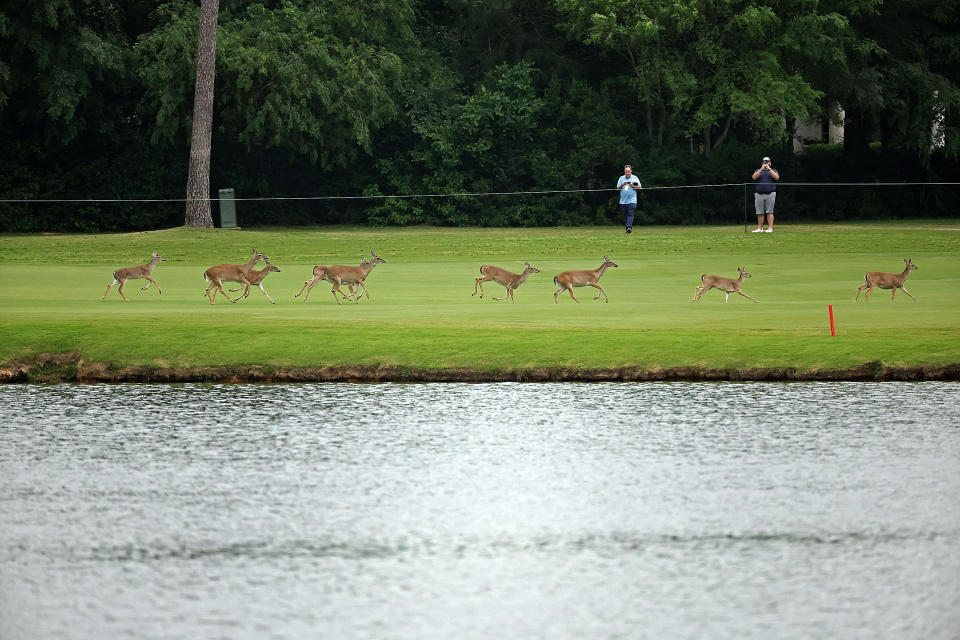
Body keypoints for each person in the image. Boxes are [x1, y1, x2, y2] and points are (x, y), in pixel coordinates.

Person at [751, 156, 779, 232]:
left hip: (770, 194)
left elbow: (776, 178)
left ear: (770, 163)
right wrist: (761, 169)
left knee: (770, 212)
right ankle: (759, 228)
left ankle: (770, 228)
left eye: (767, 162)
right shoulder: (758, 170)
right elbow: (754, 177)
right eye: (764, 162)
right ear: (762, 163)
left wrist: (769, 170)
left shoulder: (774, 171)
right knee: (759, 212)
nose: (766, 163)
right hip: (759, 194)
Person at [617, 164, 641, 233]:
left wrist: (632, 186)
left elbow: (639, 187)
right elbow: (618, 188)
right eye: (626, 172)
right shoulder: (621, 178)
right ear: (624, 172)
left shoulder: (635, 178)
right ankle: (628, 229)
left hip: (632, 200)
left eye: (628, 171)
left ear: (631, 171)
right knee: (625, 215)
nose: (627, 173)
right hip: (623, 201)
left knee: (630, 213)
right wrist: (623, 184)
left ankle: (629, 227)